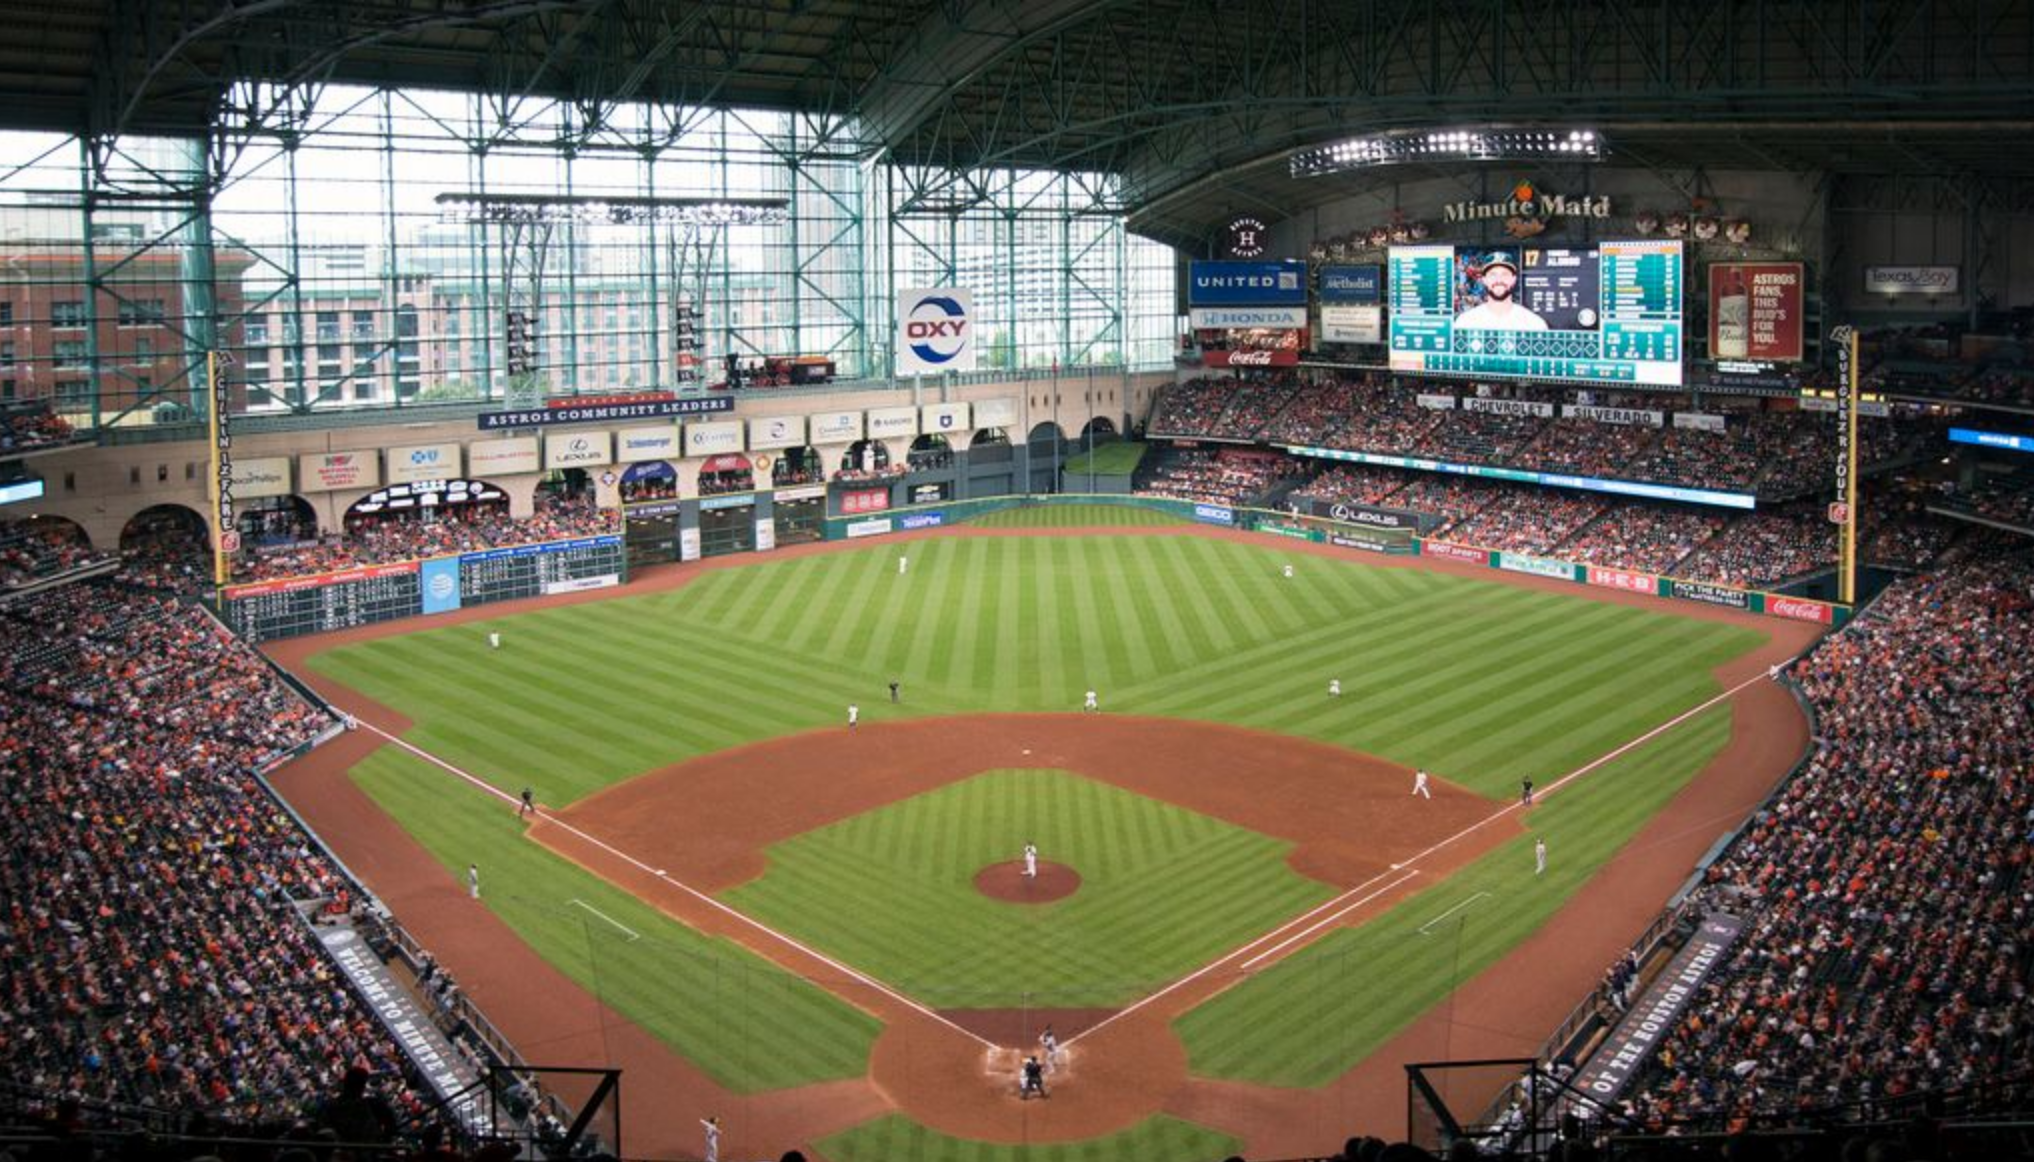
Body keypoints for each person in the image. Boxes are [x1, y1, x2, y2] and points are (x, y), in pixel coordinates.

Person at [1455, 251, 1549, 331]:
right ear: (1484, 280)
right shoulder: (1465, 323)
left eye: (1505, 274)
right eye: (1493, 274)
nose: (1499, 280)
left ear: (1513, 279)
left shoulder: (1534, 324)